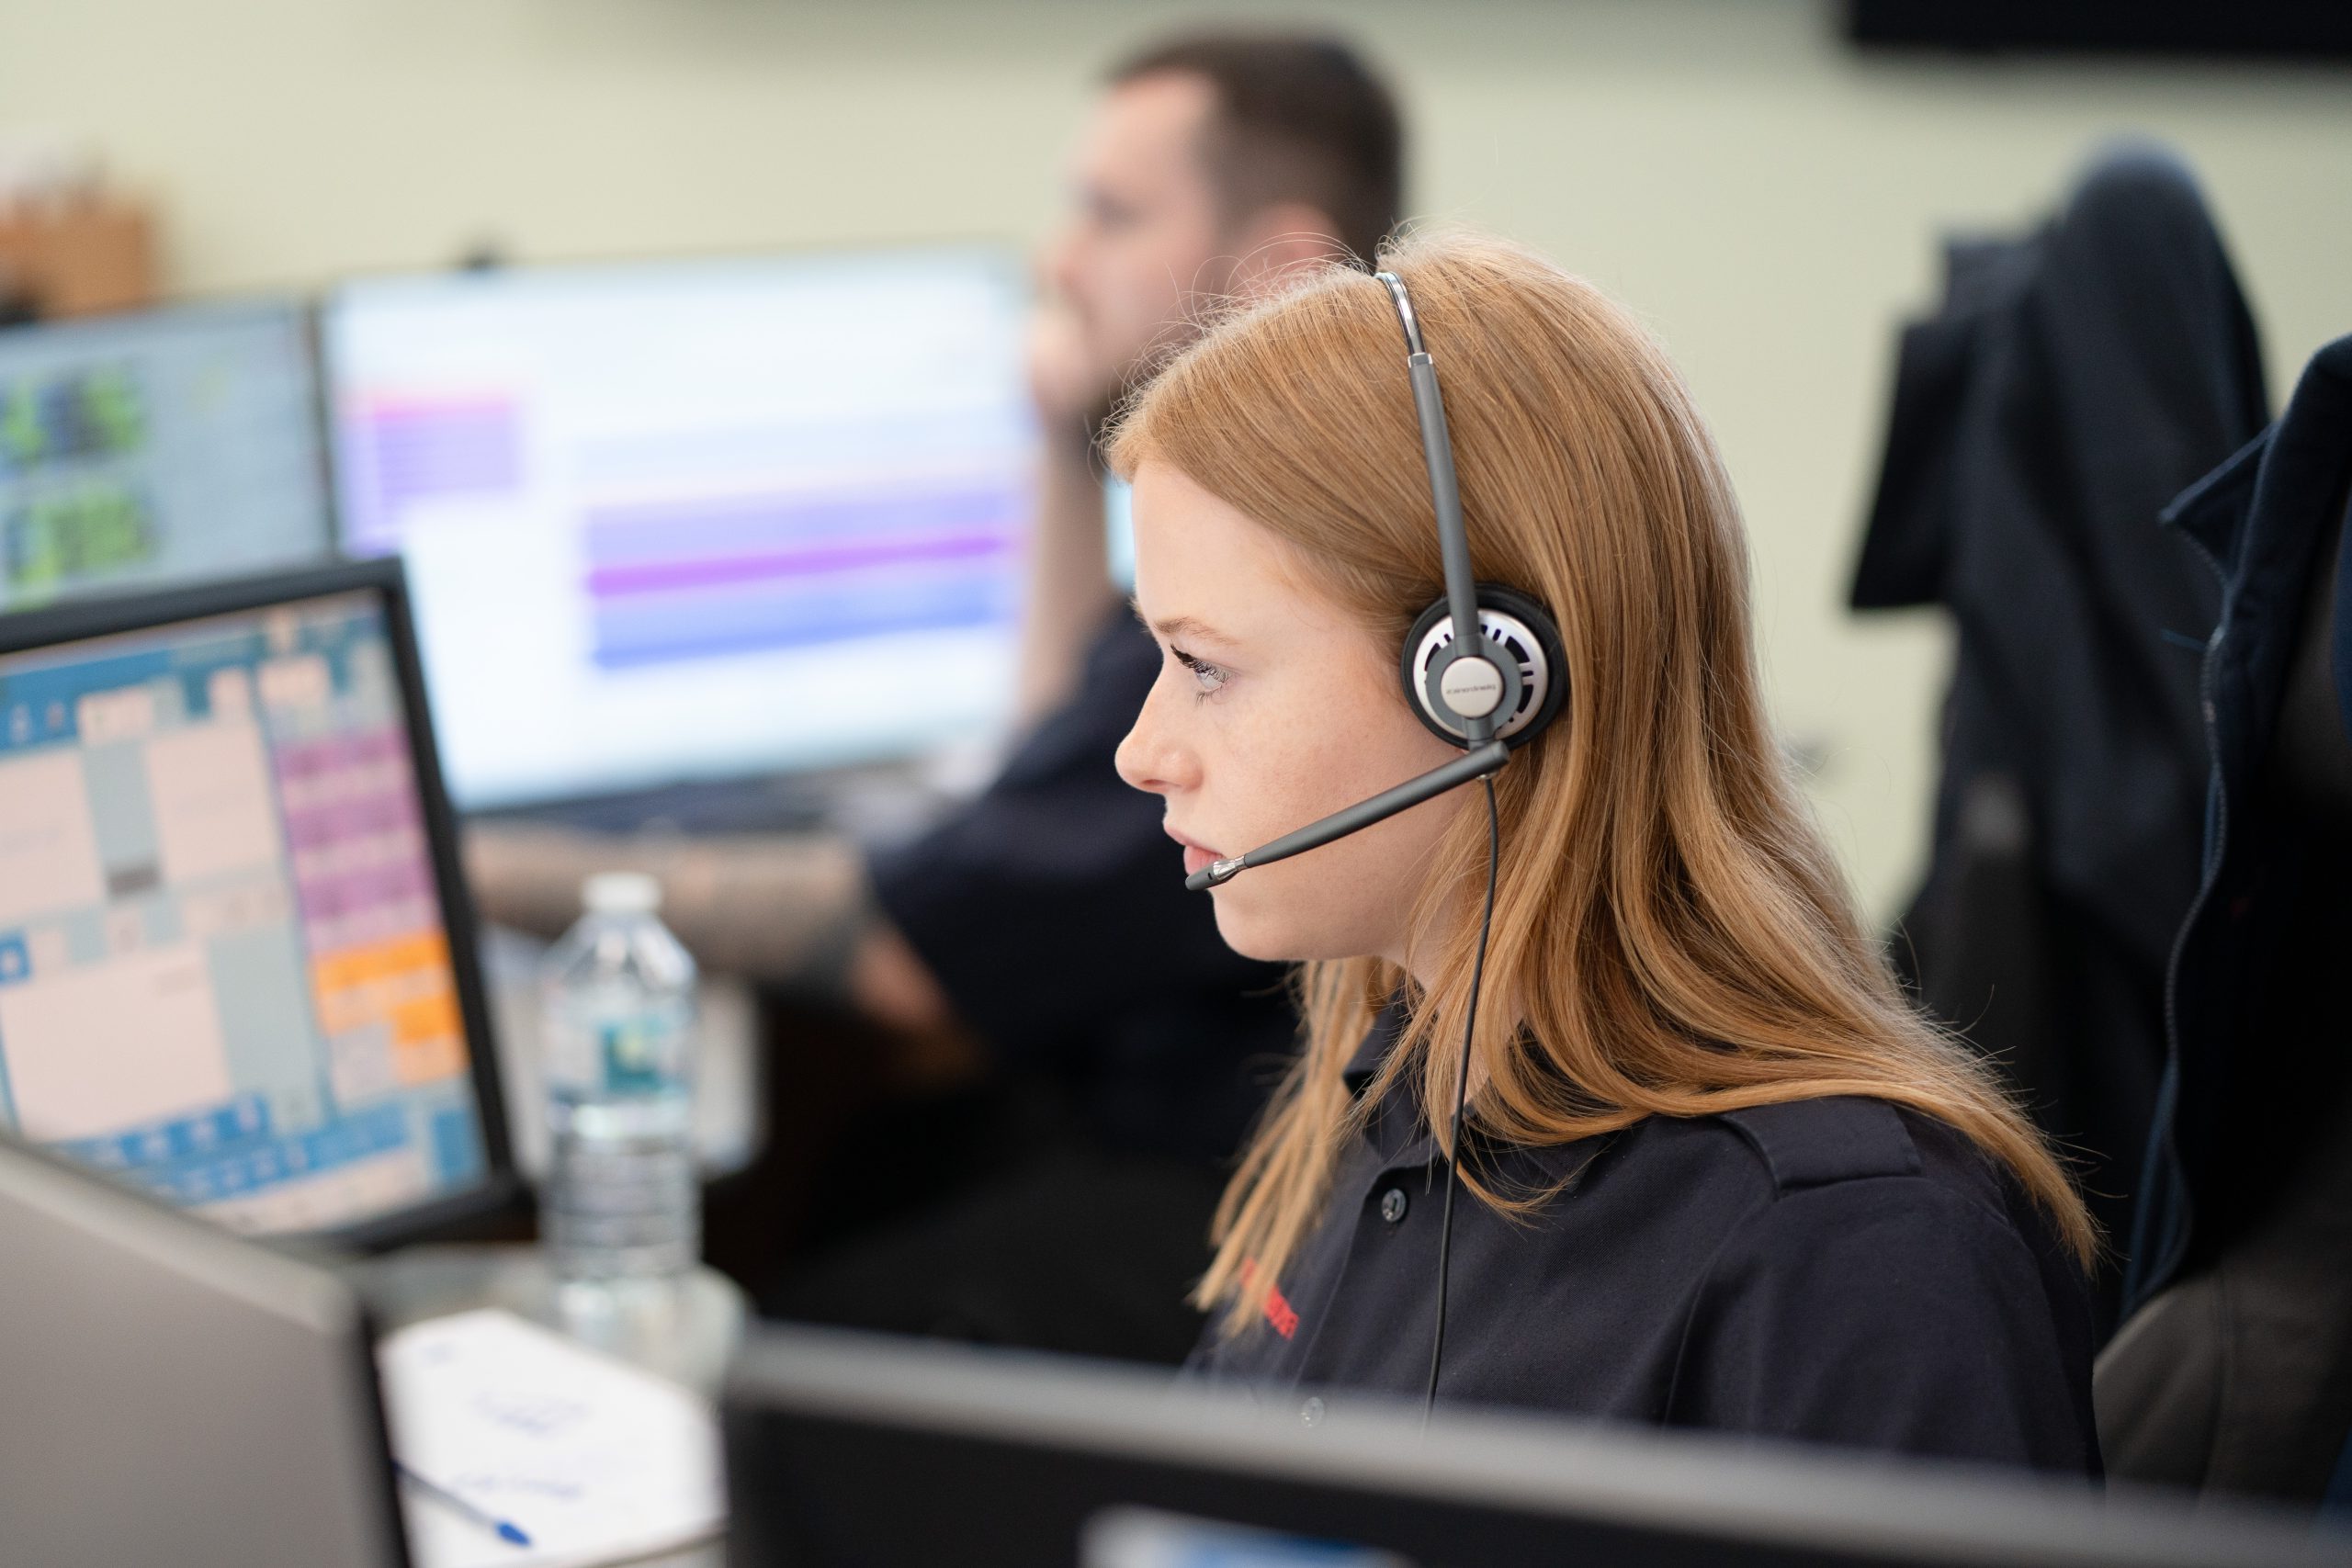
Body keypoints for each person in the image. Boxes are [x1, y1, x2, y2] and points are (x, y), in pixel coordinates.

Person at [467, 30, 1407, 1363]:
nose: (1058, 259)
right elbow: (1054, 768)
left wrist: (457, 868)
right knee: (840, 1194)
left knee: (763, 1362)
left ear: (1280, 270)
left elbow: (920, 948)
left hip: (1246, 1211)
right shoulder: (1258, 535)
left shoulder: (1297, 600)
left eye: (1113, 215)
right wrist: (1061, 444)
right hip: (1166, 1145)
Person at [1107, 231, 2102, 1471]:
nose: (1142, 751)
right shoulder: (1380, 1105)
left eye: (1205, 666)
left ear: (1482, 682)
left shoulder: (1852, 1257)